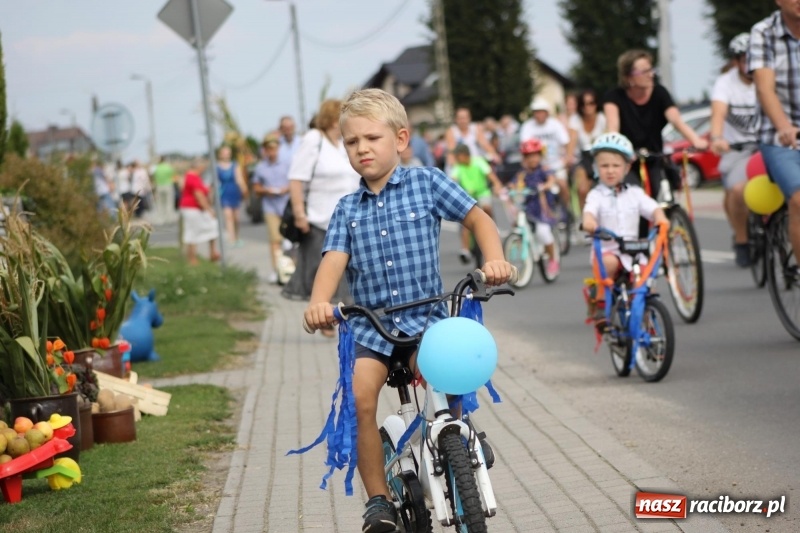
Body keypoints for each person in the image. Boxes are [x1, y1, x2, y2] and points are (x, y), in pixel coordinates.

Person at [302, 88, 514, 533]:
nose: (362, 148)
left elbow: (478, 218)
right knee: (360, 398)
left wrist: (494, 259)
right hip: (373, 330)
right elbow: (332, 262)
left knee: (446, 376)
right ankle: (377, 501)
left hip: (425, 322)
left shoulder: (427, 183)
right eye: (352, 142)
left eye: (372, 138)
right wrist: (319, 303)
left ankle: (459, 438)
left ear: (400, 139)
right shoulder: (346, 209)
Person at [582, 133, 669, 330]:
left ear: (627, 168)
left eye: (616, 165)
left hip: (633, 251)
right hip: (608, 250)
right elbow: (589, 212)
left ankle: (646, 320)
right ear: (596, 168)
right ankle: (600, 302)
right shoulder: (596, 195)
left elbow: (652, 208)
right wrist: (589, 222)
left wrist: (660, 217)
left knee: (644, 282)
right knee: (609, 263)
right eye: (604, 166)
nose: (610, 170)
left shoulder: (635, 193)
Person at [281, 99, 360, 311]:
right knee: (321, 280)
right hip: (320, 222)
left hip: (348, 221)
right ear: (334, 119)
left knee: (345, 283)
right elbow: (296, 178)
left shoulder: (342, 144)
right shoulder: (314, 139)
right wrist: (300, 214)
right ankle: (321, 317)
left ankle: (338, 318)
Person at [604, 49, 709, 201]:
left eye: (651, 69)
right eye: (644, 71)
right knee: (633, 197)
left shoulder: (659, 93)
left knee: (664, 195)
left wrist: (695, 140)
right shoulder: (614, 97)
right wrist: (620, 150)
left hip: (655, 157)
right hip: (628, 160)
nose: (650, 74)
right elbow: (613, 127)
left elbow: (676, 120)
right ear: (629, 77)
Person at [750, 3, 800, 268]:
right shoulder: (764, 32)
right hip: (780, 137)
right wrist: (784, 126)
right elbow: (764, 88)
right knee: (799, 200)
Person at [710, 33, 760, 268]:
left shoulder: (768, 76)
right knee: (738, 191)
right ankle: (742, 240)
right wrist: (717, 137)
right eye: (744, 59)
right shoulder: (726, 83)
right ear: (736, 61)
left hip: (767, 145)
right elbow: (718, 113)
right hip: (738, 148)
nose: (750, 64)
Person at [511, 138, 560, 277]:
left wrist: (545, 186)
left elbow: (551, 179)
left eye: (535, 155)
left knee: (543, 233)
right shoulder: (522, 173)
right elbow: (514, 183)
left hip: (541, 209)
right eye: (529, 156)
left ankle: (553, 259)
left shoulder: (543, 170)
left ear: (540, 156)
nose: (532, 159)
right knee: (517, 223)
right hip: (527, 207)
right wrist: (509, 189)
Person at [450, 143, 504, 263]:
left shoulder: (478, 162)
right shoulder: (458, 166)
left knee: (486, 207)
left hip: (482, 192)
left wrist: (497, 184)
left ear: (464, 155)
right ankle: (465, 249)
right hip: (468, 196)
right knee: (465, 221)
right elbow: (452, 180)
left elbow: (490, 175)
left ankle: (491, 227)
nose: (456, 158)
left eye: (458, 156)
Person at [251, 134, 291, 284]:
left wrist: (286, 189)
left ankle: (290, 269)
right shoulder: (260, 168)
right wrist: (266, 190)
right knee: (275, 240)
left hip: (286, 205)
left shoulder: (287, 164)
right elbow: (256, 188)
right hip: (271, 207)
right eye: (269, 149)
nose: (271, 151)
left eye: (274, 148)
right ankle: (276, 270)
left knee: (290, 241)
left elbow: (294, 182)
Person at [519, 97, 572, 209]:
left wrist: (566, 159)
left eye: (541, 111)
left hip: (556, 165)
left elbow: (566, 143)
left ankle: (567, 211)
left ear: (547, 112)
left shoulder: (555, 124)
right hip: (537, 167)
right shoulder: (527, 126)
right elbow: (524, 149)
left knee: (562, 185)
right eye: (536, 112)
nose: (539, 115)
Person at [566, 89, 607, 211]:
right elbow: (572, 141)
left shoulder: (602, 118)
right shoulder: (575, 119)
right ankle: (584, 218)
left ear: (596, 104)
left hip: (599, 157)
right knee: (582, 190)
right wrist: (568, 157)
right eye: (584, 104)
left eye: (591, 103)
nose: (587, 107)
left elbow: (607, 139)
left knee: (603, 190)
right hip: (582, 159)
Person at [179, 158, 221, 266]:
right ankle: (192, 259)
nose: (204, 169)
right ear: (199, 167)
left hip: (193, 208)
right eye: (203, 167)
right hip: (192, 208)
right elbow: (199, 196)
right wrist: (209, 210)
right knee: (193, 232)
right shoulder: (193, 178)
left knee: (211, 226)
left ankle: (212, 252)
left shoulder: (191, 176)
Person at [444, 106, 499, 171]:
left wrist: (494, 154)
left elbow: (485, 144)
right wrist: (454, 166)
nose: (462, 121)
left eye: (464, 118)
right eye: (460, 118)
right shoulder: (451, 131)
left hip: (474, 164)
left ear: (469, 118)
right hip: (459, 164)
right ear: (455, 119)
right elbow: (451, 150)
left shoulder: (475, 128)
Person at [215, 145, 247, 246]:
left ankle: (237, 236)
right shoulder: (217, 167)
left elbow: (239, 178)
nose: (226, 155)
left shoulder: (235, 165)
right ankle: (231, 239)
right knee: (228, 216)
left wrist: (244, 189)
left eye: (228, 153)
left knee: (236, 218)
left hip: (234, 191)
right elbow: (214, 182)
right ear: (220, 155)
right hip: (224, 193)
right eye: (224, 153)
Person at [152, 156, 177, 224]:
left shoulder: (157, 168)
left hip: (159, 186)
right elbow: (174, 176)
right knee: (169, 202)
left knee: (160, 203)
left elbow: (153, 177)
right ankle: (169, 217)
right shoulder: (168, 167)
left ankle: (161, 218)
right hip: (168, 185)